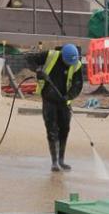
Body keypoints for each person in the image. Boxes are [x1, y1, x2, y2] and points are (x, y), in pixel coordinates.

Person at [29, 43, 84, 172]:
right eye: (67, 62)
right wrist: (38, 70)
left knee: (64, 129)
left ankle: (61, 160)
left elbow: (77, 85)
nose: (69, 65)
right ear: (62, 56)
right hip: (49, 100)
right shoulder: (51, 55)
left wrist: (69, 96)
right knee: (52, 130)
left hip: (64, 102)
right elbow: (30, 59)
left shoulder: (76, 64)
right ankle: (54, 162)